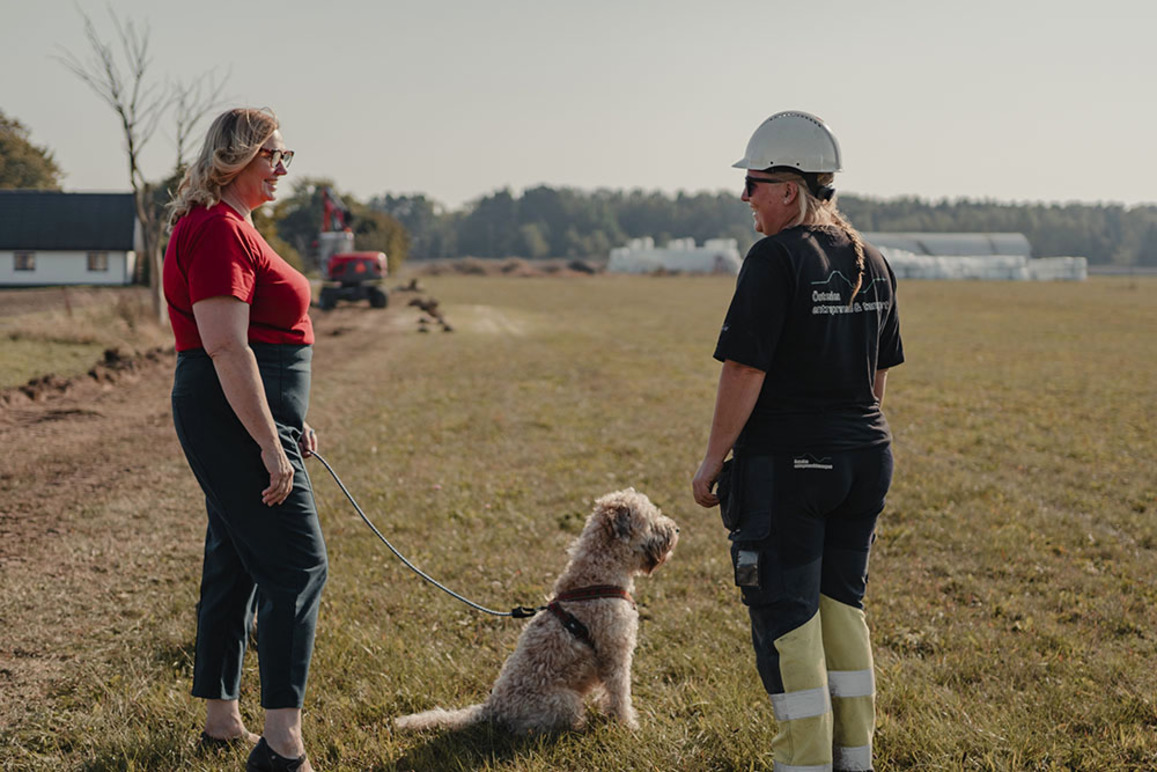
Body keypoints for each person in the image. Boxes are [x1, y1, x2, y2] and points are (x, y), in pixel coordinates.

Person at [692, 111, 903, 772]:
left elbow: (742, 369)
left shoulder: (774, 258)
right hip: (864, 460)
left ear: (789, 188)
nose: (745, 197)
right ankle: (853, 758)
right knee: (842, 608)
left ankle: (803, 764)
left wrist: (711, 460)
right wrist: (846, 445)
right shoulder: (870, 258)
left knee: (786, 621)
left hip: (789, 470)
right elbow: (875, 379)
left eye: (753, 182)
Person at [163, 107, 325, 772]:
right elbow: (226, 347)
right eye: (272, 156)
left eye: (285, 155)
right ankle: (282, 745)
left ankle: (221, 718)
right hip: (229, 413)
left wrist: (285, 419)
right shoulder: (219, 231)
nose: (284, 167)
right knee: (296, 564)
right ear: (235, 159)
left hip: (244, 409)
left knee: (235, 556)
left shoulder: (229, 226)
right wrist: (268, 443)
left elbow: (254, 341)